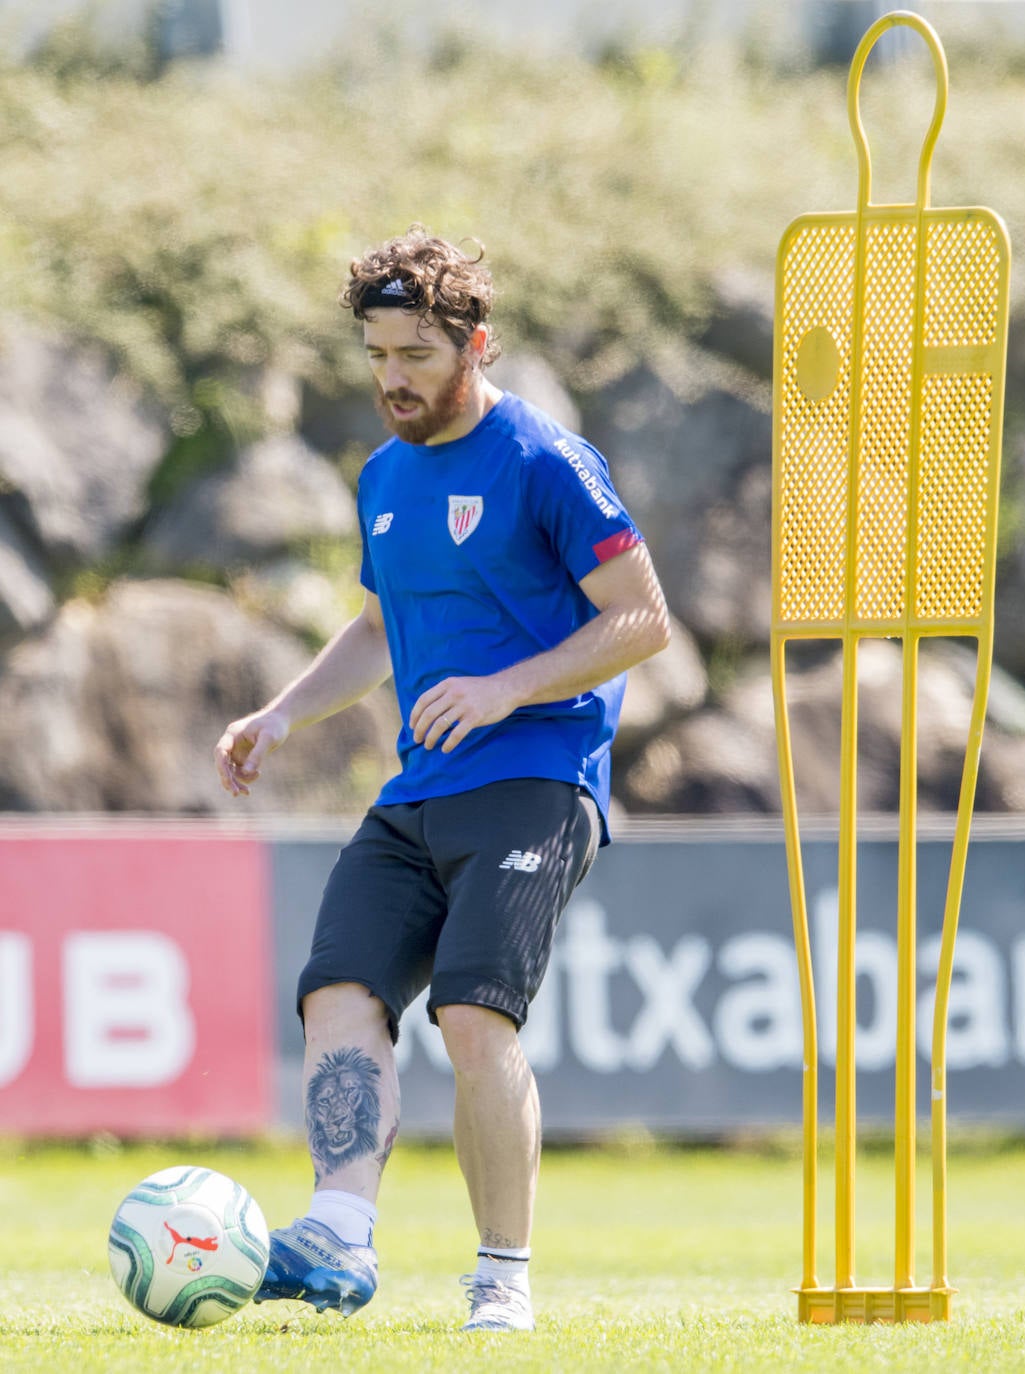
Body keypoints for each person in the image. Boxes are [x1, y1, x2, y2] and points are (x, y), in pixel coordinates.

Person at [214, 224, 670, 1332]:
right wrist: (281, 712)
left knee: (473, 1018)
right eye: (376, 356)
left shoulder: (545, 463)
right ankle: (336, 1234)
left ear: (478, 344)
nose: (392, 380)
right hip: (419, 790)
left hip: (536, 775)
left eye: (414, 354)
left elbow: (642, 621)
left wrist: (508, 687)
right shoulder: (381, 477)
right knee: (339, 993)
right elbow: (377, 629)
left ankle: (502, 1274)